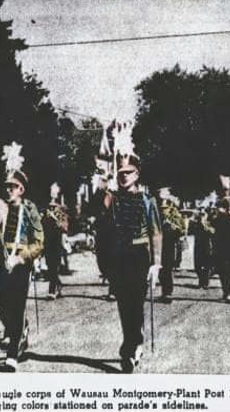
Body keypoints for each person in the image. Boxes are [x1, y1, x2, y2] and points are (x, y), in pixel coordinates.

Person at [94, 152, 162, 373]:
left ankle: (131, 345)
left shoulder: (147, 200)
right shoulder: (111, 198)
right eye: (121, 173)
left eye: (128, 172)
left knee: (136, 302)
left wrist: (156, 264)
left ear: (137, 174)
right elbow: (101, 225)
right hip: (118, 257)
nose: (124, 177)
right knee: (124, 305)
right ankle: (132, 343)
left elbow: (155, 233)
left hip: (140, 256)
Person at [0, 170, 44, 372]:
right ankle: (20, 328)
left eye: (13, 187)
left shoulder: (30, 210)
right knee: (3, 307)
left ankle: (12, 353)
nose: (9, 190)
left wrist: (22, 257)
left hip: (21, 263)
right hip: (2, 261)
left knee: (16, 306)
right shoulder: (0, 208)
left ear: (21, 190)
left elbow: (39, 243)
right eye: (7, 186)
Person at [157, 188, 185, 303]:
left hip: (169, 248)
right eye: (162, 209)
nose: (164, 211)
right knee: (160, 271)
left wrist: (174, 227)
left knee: (167, 270)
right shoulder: (158, 218)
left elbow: (181, 231)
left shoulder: (174, 219)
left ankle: (168, 293)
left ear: (169, 208)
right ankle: (164, 291)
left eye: (165, 209)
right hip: (159, 248)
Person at [41, 182, 69, 300]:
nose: (53, 192)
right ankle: (58, 284)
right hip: (47, 241)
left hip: (57, 240)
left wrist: (57, 220)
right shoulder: (44, 210)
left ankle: (52, 290)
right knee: (49, 265)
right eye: (51, 190)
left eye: (55, 190)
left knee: (54, 265)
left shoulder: (61, 210)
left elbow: (65, 226)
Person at [212, 197, 230, 303]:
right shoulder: (218, 216)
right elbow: (212, 224)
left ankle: (228, 292)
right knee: (222, 270)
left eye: (228, 206)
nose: (227, 208)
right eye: (225, 206)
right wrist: (217, 214)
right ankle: (226, 290)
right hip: (220, 246)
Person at [190, 208, 215, 289]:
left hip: (207, 246)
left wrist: (205, 226)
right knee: (197, 265)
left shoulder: (210, 222)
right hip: (198, 246)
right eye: (200, 214)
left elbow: (213, 232)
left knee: (207, 265)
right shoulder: (195, 223)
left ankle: (205, 282)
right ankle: (201, 280)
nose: (202, 216)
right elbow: (190, 231)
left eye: (203, 214)